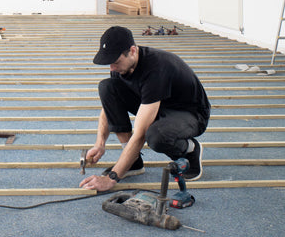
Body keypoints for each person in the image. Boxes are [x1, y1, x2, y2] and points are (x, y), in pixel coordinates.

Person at [80, 25, 211, 192]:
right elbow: (109, 107)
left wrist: (111, 178)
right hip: (158, 105)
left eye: (115, 62)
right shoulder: (121, 67)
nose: (111, 68)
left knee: (156, 136)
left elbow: (140, 134)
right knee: (107, 87)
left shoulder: (156, 69)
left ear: (132, 51)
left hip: (190, 114)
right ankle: (133, 162)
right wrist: (100, 144)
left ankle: (190, 150)